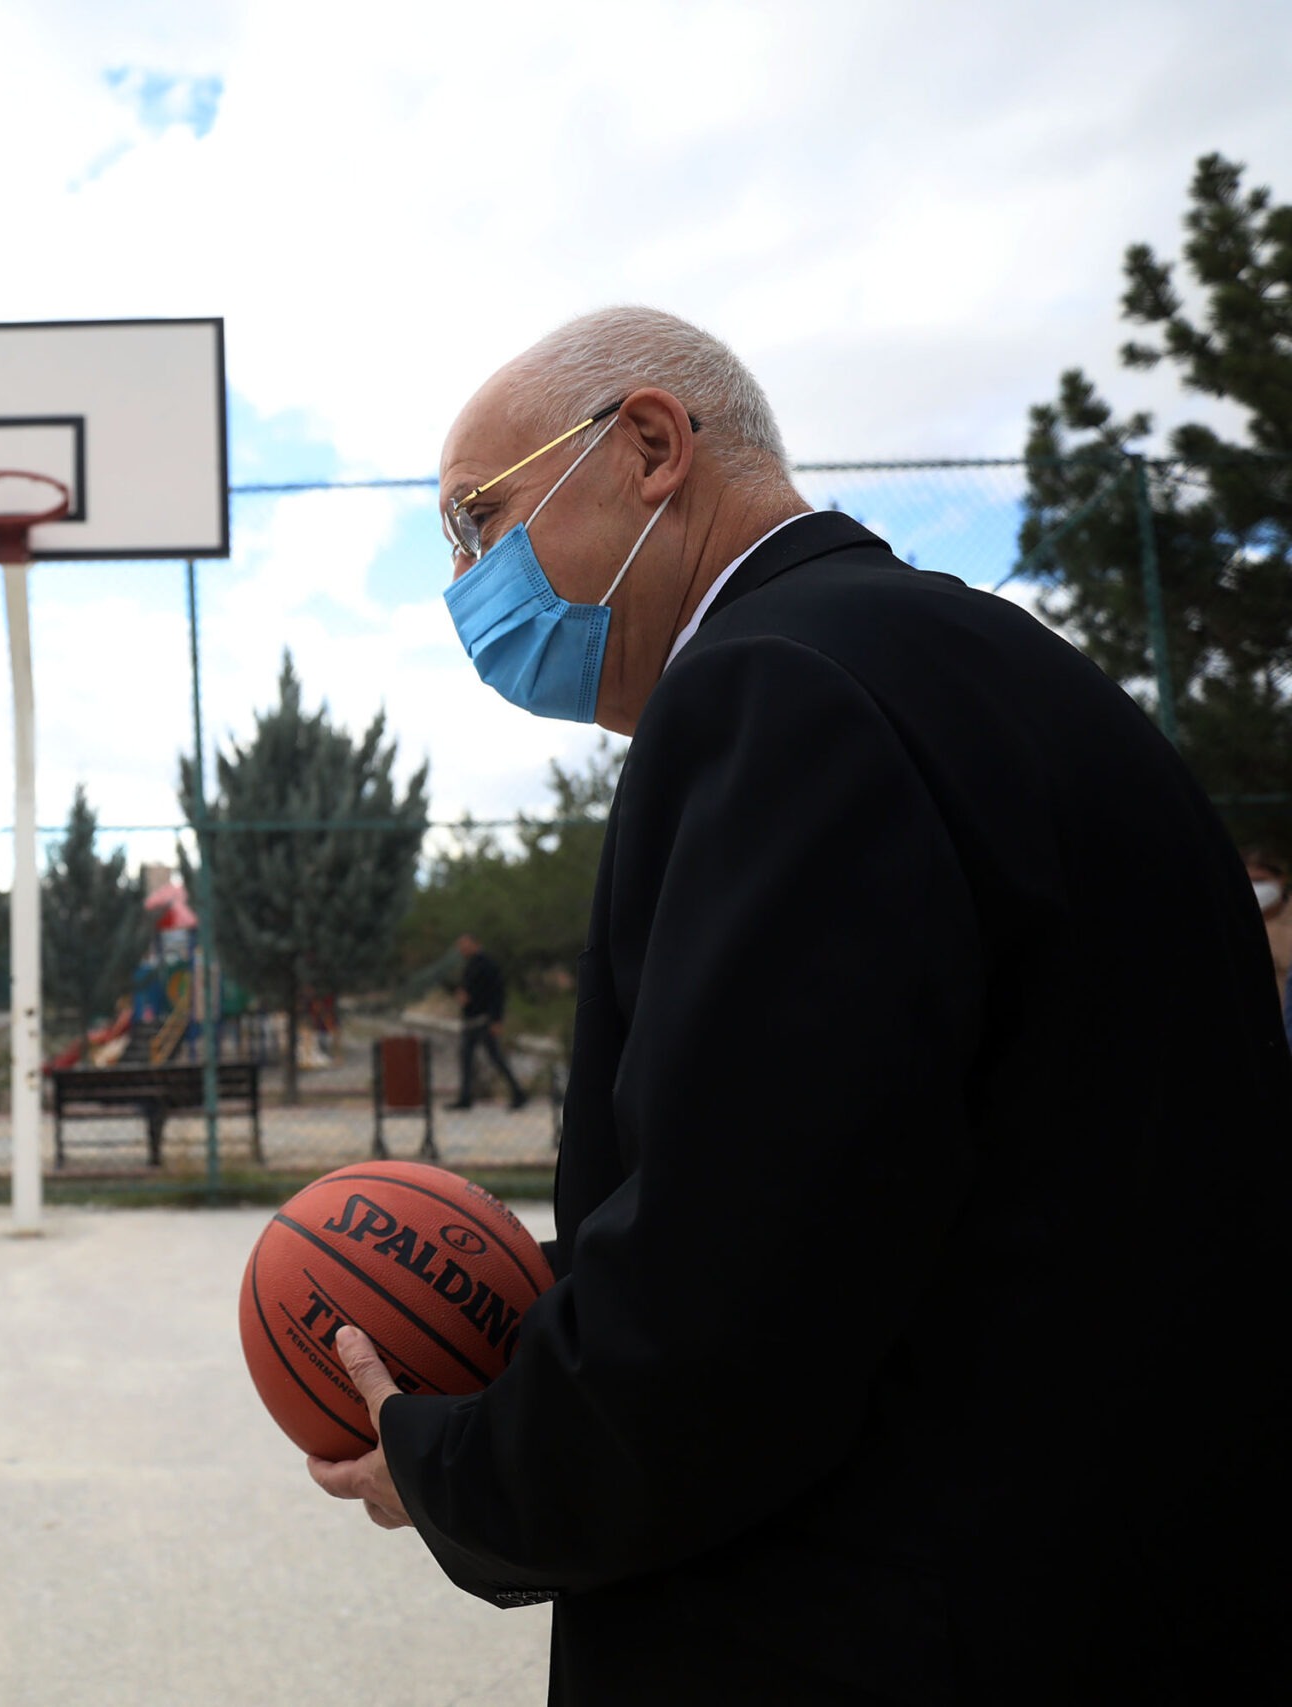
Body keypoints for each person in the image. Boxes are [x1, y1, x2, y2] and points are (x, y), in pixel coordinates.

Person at [305, 307, 1292, 1699]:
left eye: (481, 519)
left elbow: (722, 1315)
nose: (468, 579)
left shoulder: (776, 694)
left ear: (650, 444)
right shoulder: (1023, 678)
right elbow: (927, 1192)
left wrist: (458, 1462)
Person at [446, 932, 527, 1110]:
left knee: (496, 1057)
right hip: (471, 1020)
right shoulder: (470, 965)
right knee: (466, 1059)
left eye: (465, 945)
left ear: (475, 944)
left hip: (485, 1020)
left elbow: (497, 994)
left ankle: (518, 1093)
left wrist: (496, 1020)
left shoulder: (488, 965)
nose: (462, 949)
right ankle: (465, 1098)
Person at [1246, 848, 1291, 1015]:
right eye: (1248, 881)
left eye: (1260, 880)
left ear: (1281, 879)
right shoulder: (1230, 921)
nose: (1254, 888)